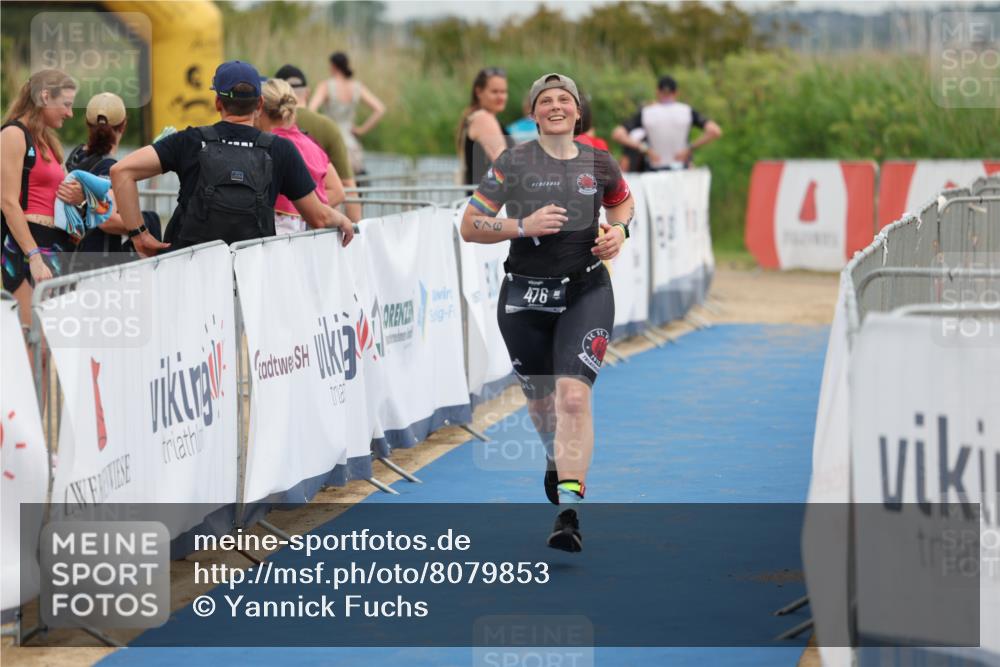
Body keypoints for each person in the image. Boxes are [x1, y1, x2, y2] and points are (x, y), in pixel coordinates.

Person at [460, 73, 634, 553]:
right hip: (523, 299)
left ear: (578, 113)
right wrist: (522, 225)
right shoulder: (512, 163)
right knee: (541, 404)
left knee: (573, 399)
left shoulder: (600, 162)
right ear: (533, 113)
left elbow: (623, 204)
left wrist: (620, 234)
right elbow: (470, 226)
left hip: (585, 291)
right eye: (545, 101)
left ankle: (569, 510)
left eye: (565, 100)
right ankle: (557, 461)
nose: (555, 106)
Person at [111, 60, 353, 256]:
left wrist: (139, 234)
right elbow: (318, 217)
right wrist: (342, 220)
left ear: (218, 102)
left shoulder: (191, 141)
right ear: (259, 104)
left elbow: (121, 171)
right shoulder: (280, 150)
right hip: (249, 275)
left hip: (188, 268)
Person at [1, 69, 84, 327]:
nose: (70, 113)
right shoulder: (13, 135)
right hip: (26, 251)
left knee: (54, 347)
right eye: (66, 105)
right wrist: (34, 256)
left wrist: (78, 197)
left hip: (56, 248)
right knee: (35, 340)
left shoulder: (46, 140)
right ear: (45, 97)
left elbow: (59, 191)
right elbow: (7, 201)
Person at [273, 64, 361, 223]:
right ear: (307, 92)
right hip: (318, 227)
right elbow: (347, 185)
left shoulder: (268, 129)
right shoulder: (327, 127)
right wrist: (355, 226)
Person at [257, 78, 345, 235]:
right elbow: (338, 191)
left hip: (271, 240)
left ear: (260, 108)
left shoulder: (264, 148)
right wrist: (309, 210)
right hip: (307, 237)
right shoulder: (313, 146)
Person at [64, 92, 134, 258]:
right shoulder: (109, 167)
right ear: (123, 126)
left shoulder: (76, 155)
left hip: (70, 251)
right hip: (97, 259)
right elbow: (106, 219)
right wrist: (144, 225)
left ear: (88, 124)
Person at [611, 75, 722, 170]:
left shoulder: (647, 112)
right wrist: (689, 148)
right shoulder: (687, 111)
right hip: (681, 166)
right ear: (677, 93)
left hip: (654, 167)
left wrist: (645, 149)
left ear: (657, 92)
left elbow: (617, 134)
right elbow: (715, 131)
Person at [308, 52, 385, 176]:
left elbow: (311, 109)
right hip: (351, 142)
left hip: (331, 138)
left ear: (333, 66)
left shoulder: (326, 86)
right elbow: (380, 109)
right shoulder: (357, 87)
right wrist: (361, 130)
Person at [457, 67, 510, 188]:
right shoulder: (483, 118)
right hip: (486, 202)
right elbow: (506, 163)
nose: (501, 97)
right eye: (495, 92)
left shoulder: (474, 117)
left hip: (480, 199)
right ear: (479, 92)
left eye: (504, 92)